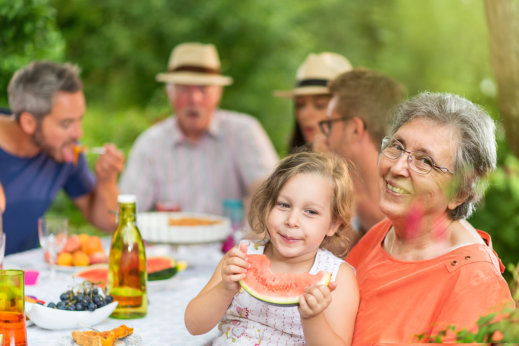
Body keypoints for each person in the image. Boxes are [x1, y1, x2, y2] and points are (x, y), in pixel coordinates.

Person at [346, 92, 514, 344]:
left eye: (425, 161)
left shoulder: (474, 285)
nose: (397, 167)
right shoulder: (384, 232)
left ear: (460, 193)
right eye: (397, 146)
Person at [185, 151, 359, 345]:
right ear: (267, 206)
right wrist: (224, 289)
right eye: (283, 205)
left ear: (333, 224)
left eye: (310, 212)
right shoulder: (241, 257)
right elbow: (194, 325)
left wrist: (312, 318)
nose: (292, 221)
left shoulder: (337, 277)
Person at [119, 42, 278, 214]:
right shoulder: (151, 142)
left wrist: (259, 198)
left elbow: (271, 191)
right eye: (184, 89)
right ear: (169, 94)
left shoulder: (244, 131)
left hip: (234, 241)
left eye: (203, 89)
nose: (194, 99)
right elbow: (126, 211)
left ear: (218, 93)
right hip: (172, 240)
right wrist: (107, 181)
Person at [0, 61, 125, 255]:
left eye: (79, 119)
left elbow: (108, 223)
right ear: (29, 122)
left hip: (27, 276)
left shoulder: (64, 151)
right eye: (66, 123)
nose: (78, 133)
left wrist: (107, 181)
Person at [315, 68, 405, 235]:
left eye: (330, 124)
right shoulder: (349, 193)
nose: (324, 137)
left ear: (355, 129)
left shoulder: (405, 205)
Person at [274, 52, 352, 153]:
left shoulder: (371, 163)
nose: (305, 115)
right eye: (300, 105)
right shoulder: (293, 165)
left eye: (320, 105)